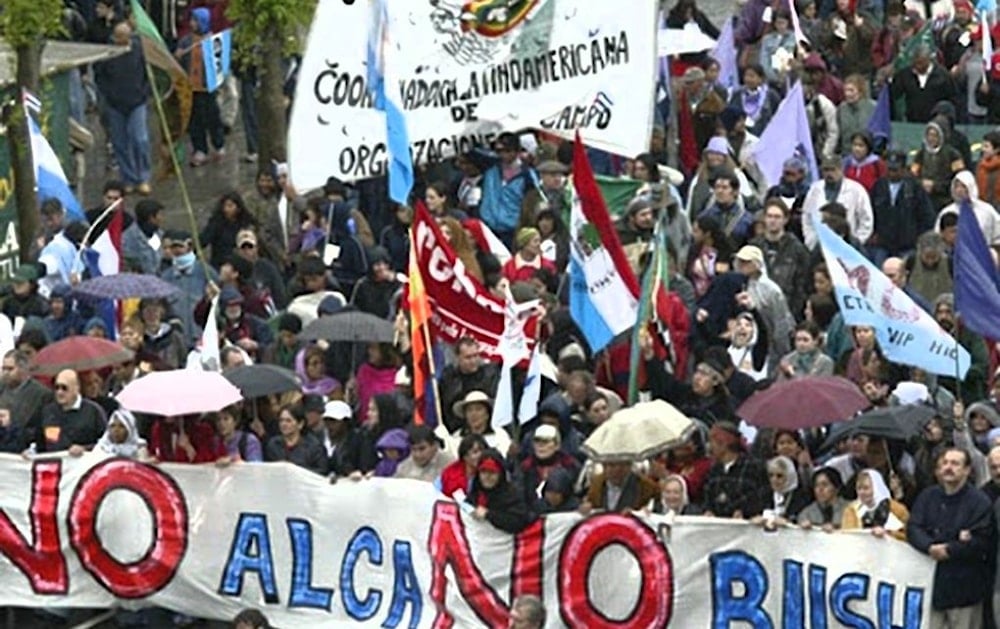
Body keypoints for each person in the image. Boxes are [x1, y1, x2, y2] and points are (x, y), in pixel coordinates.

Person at [908, 448, 995, 628]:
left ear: (967, 470)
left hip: (965, 591)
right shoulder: (927, 496)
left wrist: (950, 550)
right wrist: (929, 546)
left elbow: (983, 541)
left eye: (955, 464)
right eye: (945, 463)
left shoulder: (980, 502)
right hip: (931, 588)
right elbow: (914, 527)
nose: (948, 468)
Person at [93, 21, 153, 195]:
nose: (119, 41)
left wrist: (144, 92)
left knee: (139, 139)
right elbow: (99, 75)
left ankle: (143, 177)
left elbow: (148, 73)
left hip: (137, 101)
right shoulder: (108, 53)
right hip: (115, 104)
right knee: (120, 142)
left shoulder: (139, 50)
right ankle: (128, 178)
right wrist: (108, 94)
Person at [31, 370, 107, 455]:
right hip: (55, 464)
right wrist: (31, 452)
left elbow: (106, 444)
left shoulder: (94, 411)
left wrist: (84, 449)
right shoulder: (47, 412)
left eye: (64, 388)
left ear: (76, 388)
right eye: (57, 388)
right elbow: (40, 443)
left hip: (83, 465)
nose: (60, 392)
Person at [702, 421, 767, 518]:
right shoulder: (713, 470)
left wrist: (745, 511)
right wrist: (708, 510)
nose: (709, 446)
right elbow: (707, 497)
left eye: (712, 442)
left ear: (723, 443)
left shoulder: (753, 467)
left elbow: (761, 496)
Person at [466, 449, 536, 534]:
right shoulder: (475, 492)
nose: (487, 477)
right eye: (483, 471)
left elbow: (518, 522)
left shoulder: (512, 495)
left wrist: (489, 514)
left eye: (492, 472)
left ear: (500, 474)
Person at [842, 468, 909, 541]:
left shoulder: (897, 509)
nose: (862, 492)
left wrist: (888, 533)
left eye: (866, 488)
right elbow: (848, 536)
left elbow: (907, 535)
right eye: (859, 488)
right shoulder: (851, 510)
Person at [264, 404, 328, 476]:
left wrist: (295, 469)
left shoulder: (314, 447)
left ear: (300, 424)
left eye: (288, 421)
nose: (283, 424)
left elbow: (322, 471)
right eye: (281, 420)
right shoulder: (273, 444)